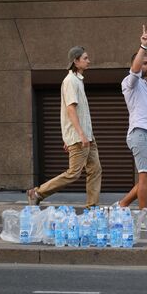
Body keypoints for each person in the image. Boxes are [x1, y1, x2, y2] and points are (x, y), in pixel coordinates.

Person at [27, 46, 102, 208]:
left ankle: (92, 207)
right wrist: (78, 134)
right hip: (80, 137)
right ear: (76, 61)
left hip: (88, 136)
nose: (89, 61)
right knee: (74, 173)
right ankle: (38, 192)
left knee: (95, 170)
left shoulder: (77, 80)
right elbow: (70, 109)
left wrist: (81, 134)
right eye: (85, 58)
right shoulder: (70, 81)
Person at [117, 25, 147, 209]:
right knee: (144, 177)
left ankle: (123, 203)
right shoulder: (130, 81)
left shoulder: (145, 85)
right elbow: (135, 70)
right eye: (145, 63)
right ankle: (144, 215)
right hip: (139, 133)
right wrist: (143, 46)